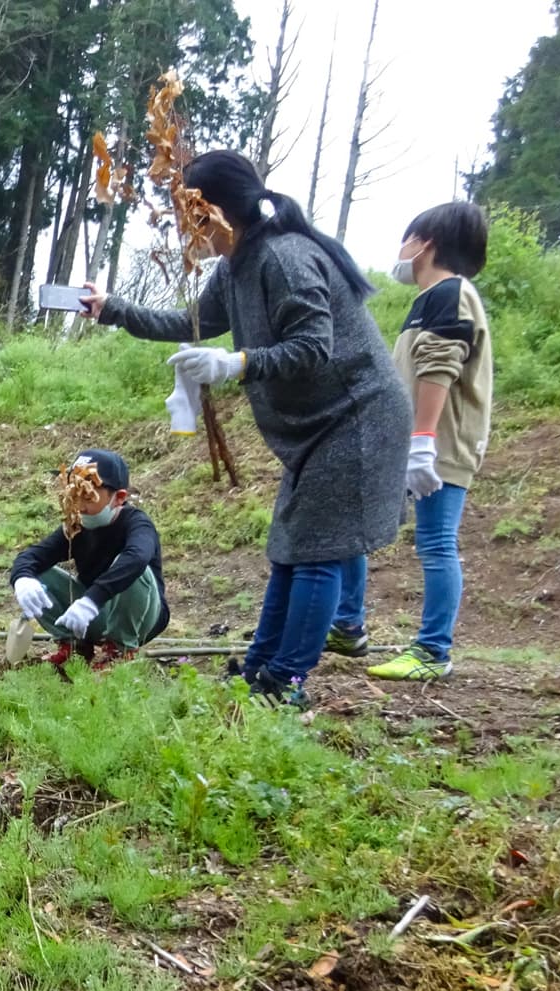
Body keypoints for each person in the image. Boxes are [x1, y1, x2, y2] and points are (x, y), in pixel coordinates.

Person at [84, 151, 411, 706]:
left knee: (316, 552)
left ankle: (285, 683)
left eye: (186, 213)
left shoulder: (284, 257)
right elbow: (188, 324)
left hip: (356, 420)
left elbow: (313, 346)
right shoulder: (236, 267)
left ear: (208, 209)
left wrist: (236, 363)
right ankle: (259, 669)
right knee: (290, 547)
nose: (184, 227)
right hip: (315, 430)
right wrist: (112, 308)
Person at [327, 203, 493, 682]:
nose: (402, 249)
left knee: (437, 542)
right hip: (406, 443)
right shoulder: (429, 299)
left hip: (439, 444)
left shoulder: (451, 292)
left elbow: (439, 367)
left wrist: (423, 442)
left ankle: (432, 652)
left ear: (426, 242)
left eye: (408, 238)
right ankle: (346, 625)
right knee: (354, 524)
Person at [8, 449, 168, 666]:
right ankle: (73, 647)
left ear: (119, 497)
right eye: (75, 497)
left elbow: (137, 558)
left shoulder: (137, 524)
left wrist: (92, 600)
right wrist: (22, 579)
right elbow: (34, 555)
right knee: (36, 572)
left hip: (139, 618)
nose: (80, 506)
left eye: (88, 497)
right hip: (88, 617)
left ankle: (120, 650)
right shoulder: (76, 526)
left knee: (134, 567)